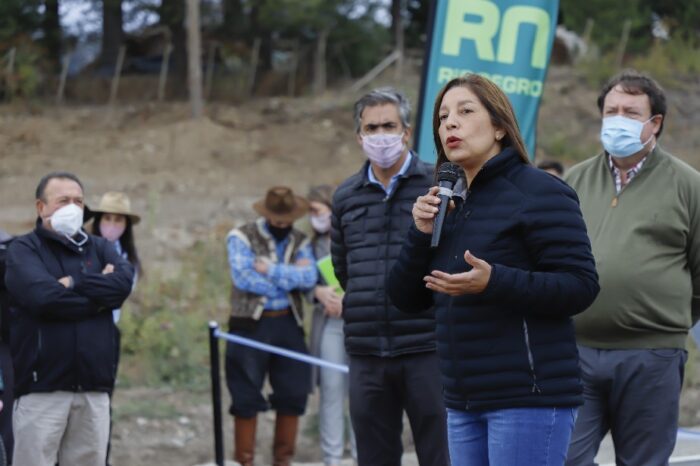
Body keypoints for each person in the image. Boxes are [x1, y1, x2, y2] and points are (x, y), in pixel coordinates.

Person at [386, 74, 600, 466]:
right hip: (463, 400)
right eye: (443, 116)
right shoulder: (449, 203)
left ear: (500, 126)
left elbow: (580, 286)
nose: (450, 122)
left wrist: (494, 281)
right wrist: (419, 234)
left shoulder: (539, 192)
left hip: (528, 398)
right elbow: (405, 298)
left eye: (466, 112)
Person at [563, 70, 700, 466]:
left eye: (630, 111)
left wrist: (666, 320)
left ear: (654, 122)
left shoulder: (688, 186)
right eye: (611, 110)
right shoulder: (574, 180)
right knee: (563, 456)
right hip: (577, 352)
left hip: (652, 355)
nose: (617, 118)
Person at [330, 87, 449, 465]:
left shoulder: (437, 186)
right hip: (366, 351)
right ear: (360, 135)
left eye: (389, 125)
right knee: (374, 457)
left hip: (427, 347)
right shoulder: (345, 196)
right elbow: (342, 268)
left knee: (441, 453)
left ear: (406, 131)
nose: (380, 134)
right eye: (372, 127)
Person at [4, 171, 134, 466]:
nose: (73, 207)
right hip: (41, 389)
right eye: (63, 201)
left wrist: (72, 284)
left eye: (78, 201)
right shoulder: (23, 250)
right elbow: (43, 298)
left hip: (93, 389)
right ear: (41, 207)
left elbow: (122, 285)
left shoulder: (101, 248)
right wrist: (97, 297)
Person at [225, 186, 317, 466]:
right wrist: (290, 277)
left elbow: (310, 277)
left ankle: (282, 461)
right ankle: (245, 461)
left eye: (286, 221)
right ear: (267, 215)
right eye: (277, 220)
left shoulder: (301, 241)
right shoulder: (240, 236)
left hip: (288, 323)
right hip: (249, 325)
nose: (282, 225)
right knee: (245, 394)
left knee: (293, 393)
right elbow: (243, 278)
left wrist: (270, 270)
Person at [307, 185, 356, 466]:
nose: (314, 217)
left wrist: (350, 298)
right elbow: (304, 281)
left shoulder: (354, 233)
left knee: (362, 394)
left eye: (318, 210)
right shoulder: (309, 245)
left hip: (360, 321)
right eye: (311, 212)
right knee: (331, 390)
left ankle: (364, 456)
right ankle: (332, 459)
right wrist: (318, 293)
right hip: (329, 323)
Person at [90, 191, 142, 324]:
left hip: (109, 325)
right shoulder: (83, 249)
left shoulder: (128, 258)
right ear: (99, 220)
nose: (112, 225)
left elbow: (121, 293)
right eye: (107, 218)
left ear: (126, 225)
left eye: (118, 219)